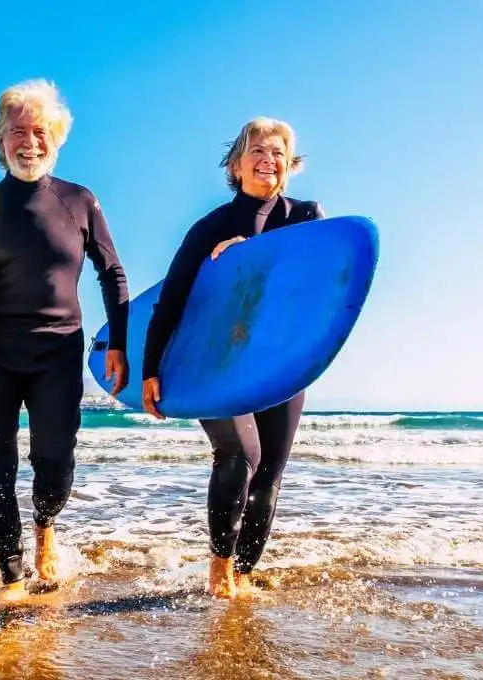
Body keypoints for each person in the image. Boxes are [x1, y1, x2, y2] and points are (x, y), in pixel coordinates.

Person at [0, 79, 130, 606]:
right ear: (1, 139)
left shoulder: (78, 201)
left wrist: (120, 344)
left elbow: (112, 274)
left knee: (55, 460)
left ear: (56, 137)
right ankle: (11, 578)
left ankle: (46, 524)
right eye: (18, 132)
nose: (29, 142)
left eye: (39, 131)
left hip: (58, 352)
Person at [141, 117, 323, 599]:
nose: (269, 159)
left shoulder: (306, 217)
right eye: (257, 150)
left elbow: (316, 288)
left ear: (291, 164)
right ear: (236, 165)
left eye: (279, 151)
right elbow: (174, 300)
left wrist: (257, 258)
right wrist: (150, 370)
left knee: (270, 473)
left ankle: (244, 575)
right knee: (241, 453)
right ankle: (220, 572)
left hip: (280, 361)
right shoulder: (211, 227)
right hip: (217, 361)